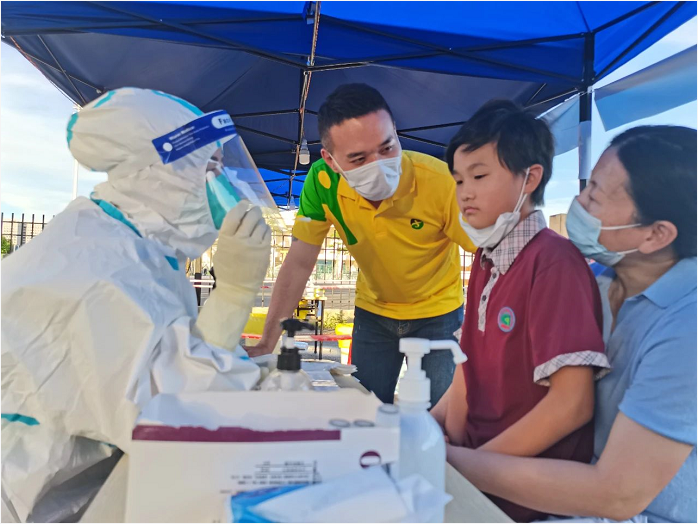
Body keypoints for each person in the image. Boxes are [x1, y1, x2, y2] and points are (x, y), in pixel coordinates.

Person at [1, 88, 272, 522]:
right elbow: (172, 417)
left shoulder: (140, 251)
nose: (227, 186)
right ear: (154, 173)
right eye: (211, 168)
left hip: (89, 486)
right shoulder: (90, 271)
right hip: (34, 502)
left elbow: (177, 362)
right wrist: (236, 293)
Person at [446, 125, 697, 523]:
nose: (578, 203)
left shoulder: (686, 331)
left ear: (656, 234)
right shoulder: (598, 280)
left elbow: (617, 495)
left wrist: (448, 464)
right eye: (587, 186)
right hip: (556, 492)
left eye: (594, 196)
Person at [430, 100, 611, 522]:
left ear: (530, 177)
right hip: (472, 475)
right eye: (458, 180)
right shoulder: (485, 259)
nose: (465, 192)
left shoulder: (553, 263)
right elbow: (466, 371)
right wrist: (426, 427)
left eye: (479, 176)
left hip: (523, 499)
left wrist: (471, 469)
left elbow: (572, 404)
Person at [245, 83, 476, 405]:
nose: (378, 164)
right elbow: (298, 263)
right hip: (374, 315)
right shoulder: (322, 182)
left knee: (441, 417)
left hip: (439, 314)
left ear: (395, 132)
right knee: (364, 410)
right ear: (330, 160)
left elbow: (488, 257)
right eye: (358, 158)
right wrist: (266, 343)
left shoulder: (440, 182)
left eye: (387, 148)